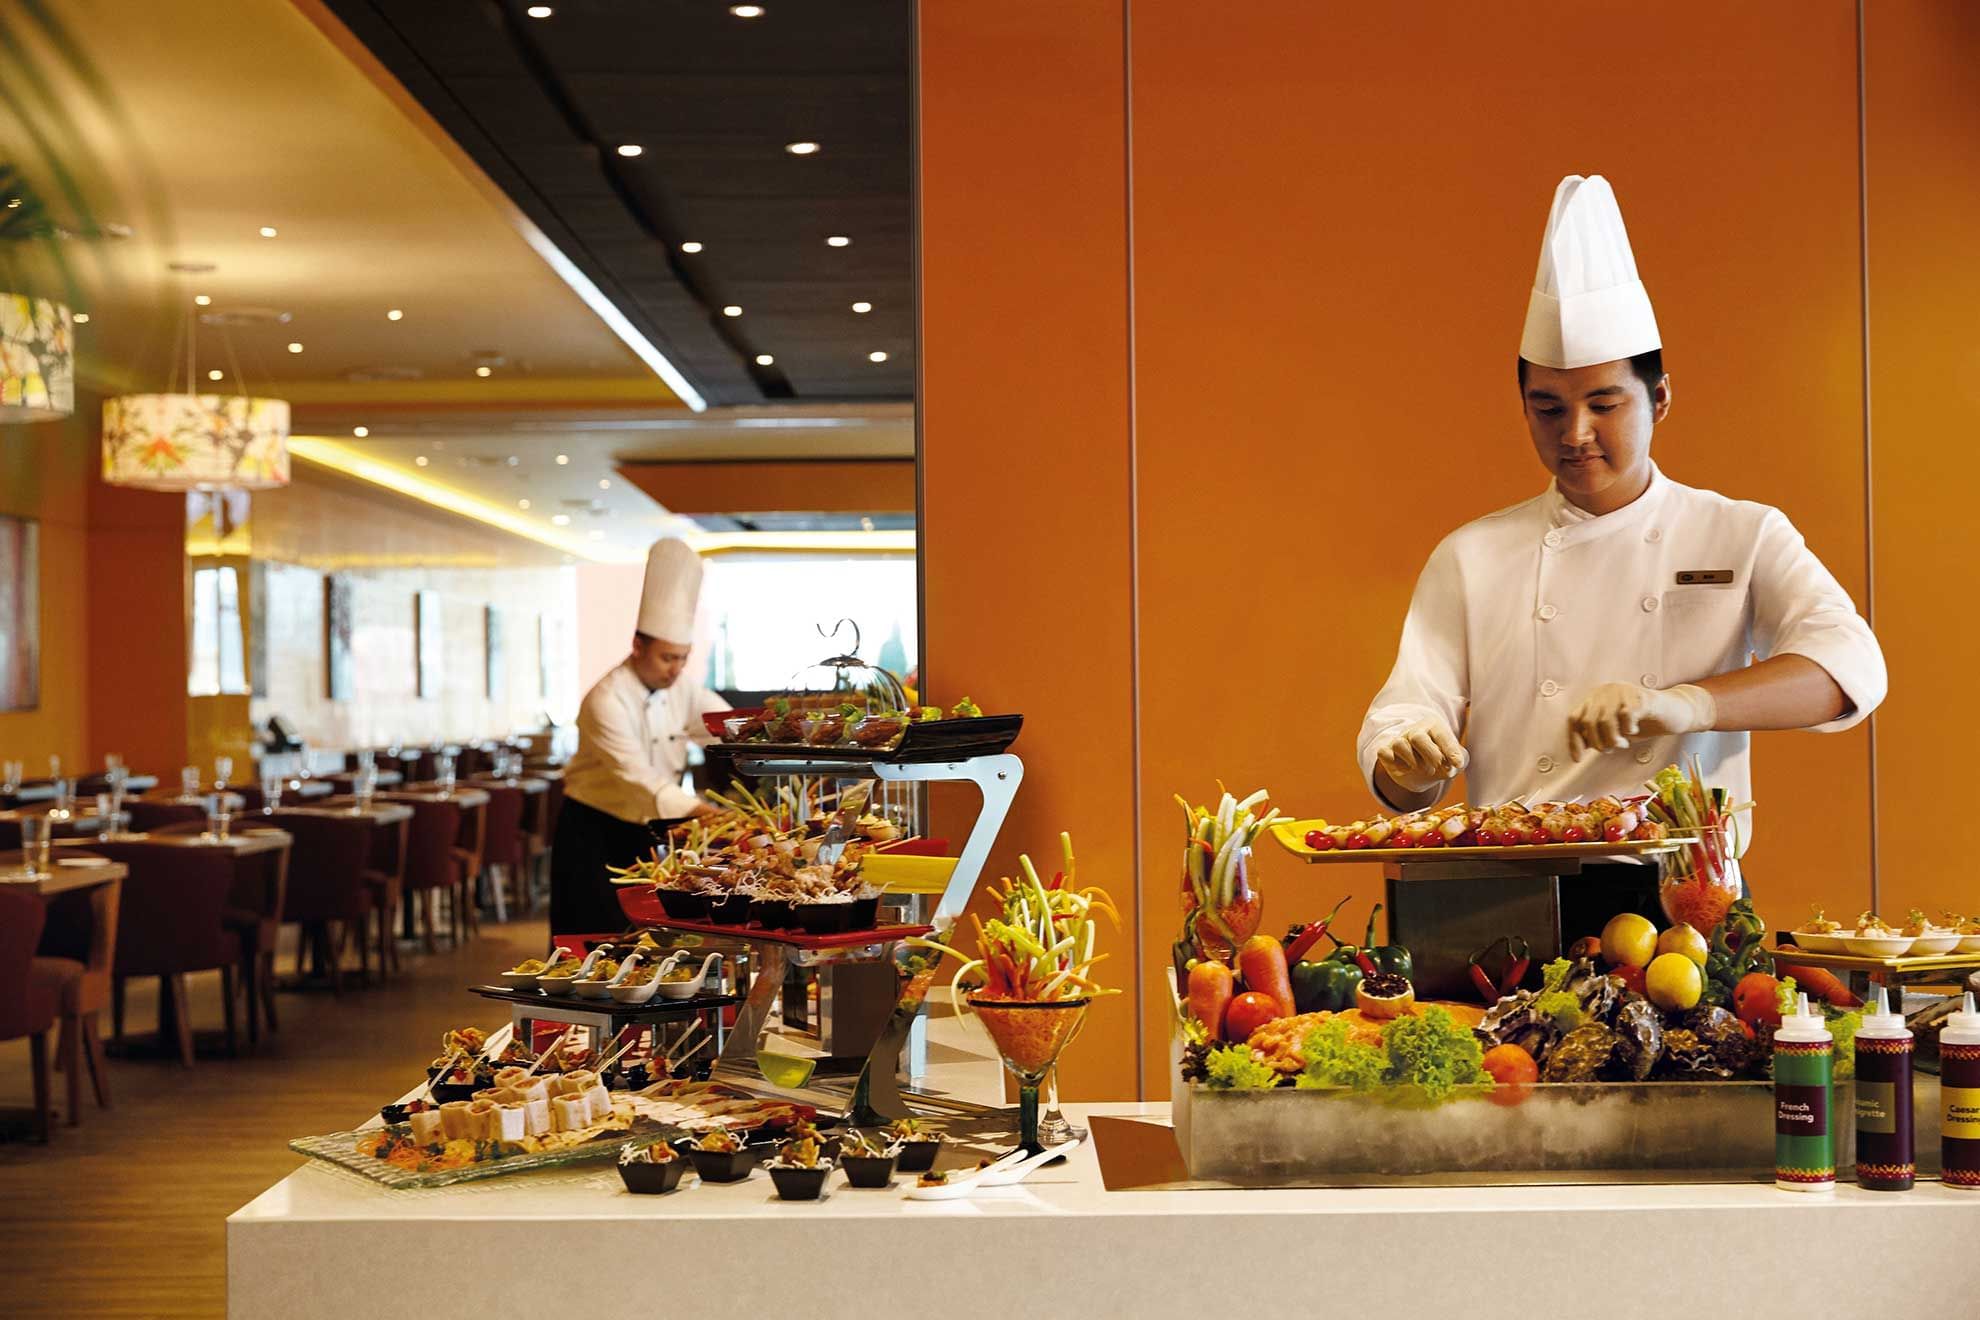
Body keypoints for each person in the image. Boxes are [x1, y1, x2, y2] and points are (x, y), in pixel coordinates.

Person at [1357, 174, 1886, 928]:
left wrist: (1681, 703)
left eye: (1604, 404)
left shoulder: (1741, 533)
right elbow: (1403, 737)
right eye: (1548, 407)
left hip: (1683, 904)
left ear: (1659, 397)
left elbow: (1851, 668)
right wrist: (1407, 762)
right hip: (1500, 902)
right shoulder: (1471, 556)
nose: (1575, 433)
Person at [550, 538, 731, 935]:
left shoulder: (683, 688)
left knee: (646, 939)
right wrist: (703, 811)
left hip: (647, 832)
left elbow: (723, 726)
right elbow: (637, 775)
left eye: (683, 657)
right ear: (637, 646)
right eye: (667, 657)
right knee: (592, 934)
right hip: (594, 831)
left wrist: (763, 741)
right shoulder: (605, 699)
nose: (676, 669)